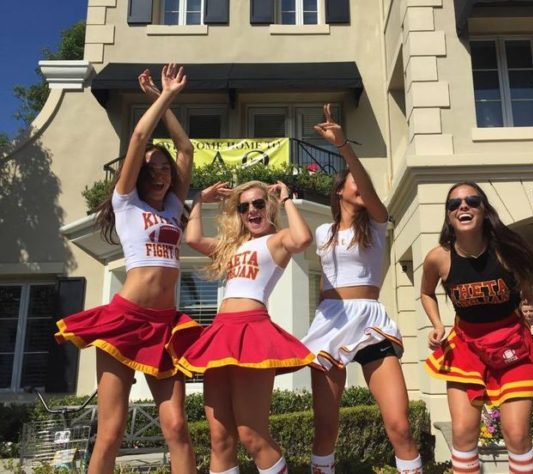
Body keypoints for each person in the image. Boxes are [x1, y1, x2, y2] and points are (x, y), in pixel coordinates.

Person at [55, 64, 201, 473]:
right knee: (111, 432)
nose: (160, 175)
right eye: (151, 169)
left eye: (164, 169)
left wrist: (163, 99)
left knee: (178, 428)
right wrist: (164, 96)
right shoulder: (126, 203)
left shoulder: (173, 207)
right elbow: (138, 137)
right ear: (137, 174)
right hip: (126, 320)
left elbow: (186, 149)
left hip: (165, 325)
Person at [301, 105, 422, 474]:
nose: (361, 183)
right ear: (339, 190)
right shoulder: (323, 232)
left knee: (400, 426)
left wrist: (343, 146)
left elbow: (368, 190)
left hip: (371, 321)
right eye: (352, 179)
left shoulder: (377, 224)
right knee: (326, 428)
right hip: (332, 321)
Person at [421, 182, 533, 474]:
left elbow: (528, 287)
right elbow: (426, 292)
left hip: (511, 345)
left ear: (484, 210)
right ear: (449, 216)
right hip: (466, 347)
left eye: (472, 201)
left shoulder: (506, 253)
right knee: (463, 434)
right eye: (454, 204)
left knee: (517, 435)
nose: (463, 206)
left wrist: (525, 307)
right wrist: (437, 325)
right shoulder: (439, 258)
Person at [178, 179, 314, 474]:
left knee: (252, 436)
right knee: (220, 439)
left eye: (258, 204)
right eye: (243, 207)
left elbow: (303, 238)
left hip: (252, 331)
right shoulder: (232, 247)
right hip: (221, 333)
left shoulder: (278, 240)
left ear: (269, 207)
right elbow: (193, 238)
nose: (251, 210)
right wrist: (199, 199)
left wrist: (287, 198)